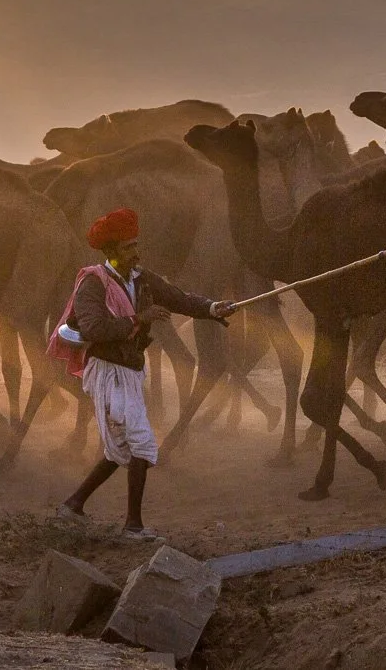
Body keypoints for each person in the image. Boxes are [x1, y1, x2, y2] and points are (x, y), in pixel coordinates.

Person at [49, 206, 231, 540]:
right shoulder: (93, 282)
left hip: (130, 370)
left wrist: (211, 308)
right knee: (142, 443)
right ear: (111, 250)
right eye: (128, 246)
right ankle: (133, 526)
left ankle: (73, 505)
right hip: (106, 370)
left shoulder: (141, 279)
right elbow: (94, 328)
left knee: (119, 448)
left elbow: (180, 299)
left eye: (136, 244)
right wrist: (139, 320)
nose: (136, 251)